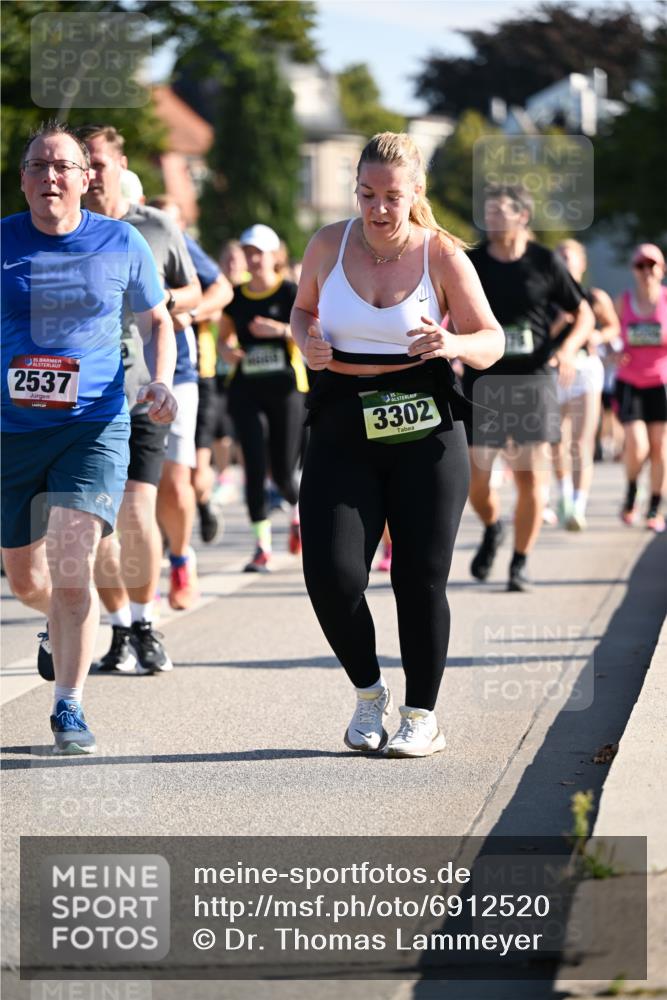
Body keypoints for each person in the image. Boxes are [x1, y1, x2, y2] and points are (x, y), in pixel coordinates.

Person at [291, 132, 504, 758]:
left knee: (419, 580)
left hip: (425, 428)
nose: (378, 209)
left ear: (415, 194)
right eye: (366, 194)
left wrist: (455, 344)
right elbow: (303, 311)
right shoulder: (329, 243)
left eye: (391, 196)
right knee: (331, 574)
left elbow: (491, 338)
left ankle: (422, 716)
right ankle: (368, 695)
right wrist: (308, 341)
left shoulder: (442, 255)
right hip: (342, 420)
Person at [1, 121, 176, 752]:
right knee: (26, 581)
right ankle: (53, 622)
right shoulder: (3, 243)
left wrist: (160, 381)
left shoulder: (121, 241)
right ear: (23, 178)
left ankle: (68, 706)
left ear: (85, 177)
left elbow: (157, 319)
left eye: (62, 166)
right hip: (12, 431)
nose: (50, 176)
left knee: (71, 565)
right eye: (37, 166)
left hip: (93, 425)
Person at [80, 124, 200, 674]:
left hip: (144, 388)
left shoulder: (154, 227)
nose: (90, 173)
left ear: (119, 163)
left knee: (135, 510)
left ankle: (145, 622)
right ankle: (120, 627)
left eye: (99, 162)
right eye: (83, 164)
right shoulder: (61, 230)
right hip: (82, 399)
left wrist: (164, 303)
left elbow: (194, 290)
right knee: (96, 524)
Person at [463, 186, 594, 591]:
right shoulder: (472, 262)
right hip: (483, 379)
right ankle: (491, 527)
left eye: (501, 210)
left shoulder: (545, 262)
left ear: (523, 216)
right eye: (488, 211)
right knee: (477, 481)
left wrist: (569, 350)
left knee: (529, 479)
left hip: (532, 379)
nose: (493, 218)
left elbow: (582, 312)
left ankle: (519, 562)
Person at [219, 224, 308, 571]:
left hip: (287, 388)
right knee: (254, 467)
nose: (253, 259)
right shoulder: (236, 296)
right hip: (247, 389)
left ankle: (299, 515)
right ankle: (262, 547)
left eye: (259, 252)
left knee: (284, 471)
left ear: (275, 255)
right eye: (248, 252)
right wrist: (228, 351)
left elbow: (313, 333)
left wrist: (281, 330)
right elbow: (224, 338)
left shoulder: (290, 292)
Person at [148, 196, 233, 544]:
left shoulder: (184, 246)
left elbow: (221, 291)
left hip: (193, 373)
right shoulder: (133, 238)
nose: (169, 229)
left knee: (193, 477)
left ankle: (200, 507)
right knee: (154, 475)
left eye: (174, 222)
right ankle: (165, 540)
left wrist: (190, 313)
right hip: (142, 374)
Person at [549, 239, 620, 530]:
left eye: (569, 256)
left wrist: (597, 336)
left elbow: (613, 326)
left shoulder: (595, 297)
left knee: (581, 441)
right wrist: (561, 322)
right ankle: (564, 495)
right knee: (555, 441)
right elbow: (539, 338)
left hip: (585, 371)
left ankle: (578, 505)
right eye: (559, 257)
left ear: (582, 263)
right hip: (553, 372)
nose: (564, 262)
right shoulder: (546, 299)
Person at [614, 243, 667, 533]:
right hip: (630, 381)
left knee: (660, 448)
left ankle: (655, 507)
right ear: (634, 271)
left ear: (661, 270)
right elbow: (609, 331)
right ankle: (633, 489)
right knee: (637, 443)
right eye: (640, 266)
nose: (646, 271)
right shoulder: (623, 301)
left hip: (661, 382)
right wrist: (612, 351)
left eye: (652, 266)